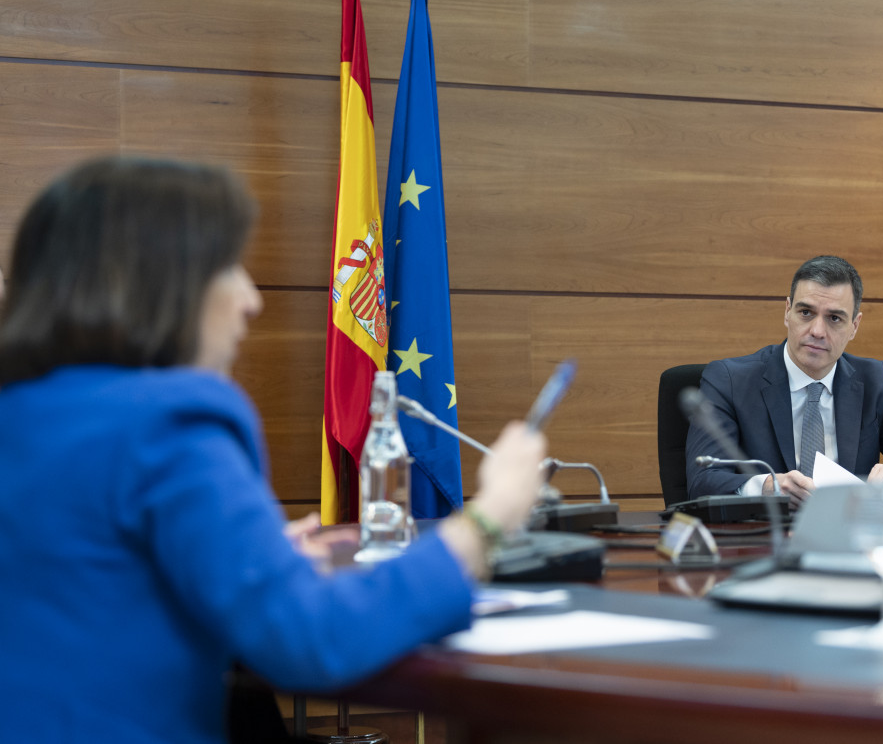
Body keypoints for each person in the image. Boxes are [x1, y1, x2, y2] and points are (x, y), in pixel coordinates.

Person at [0, 156, 547, 744]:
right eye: (228, 266)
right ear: (161, 282)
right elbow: (311, 642)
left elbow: (84, 581)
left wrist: (241, 558)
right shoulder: (169, 421)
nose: (252, 299)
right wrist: (488, 520)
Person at [684, 255, 883, 507]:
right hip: (764, 539)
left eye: (834, 318)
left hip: (849, 538)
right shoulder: (730, 380)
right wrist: (767, 487)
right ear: (787, 312)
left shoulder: (875, 382)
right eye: (806, 312)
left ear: (854, 326)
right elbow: (703, 479)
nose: (817, 331)